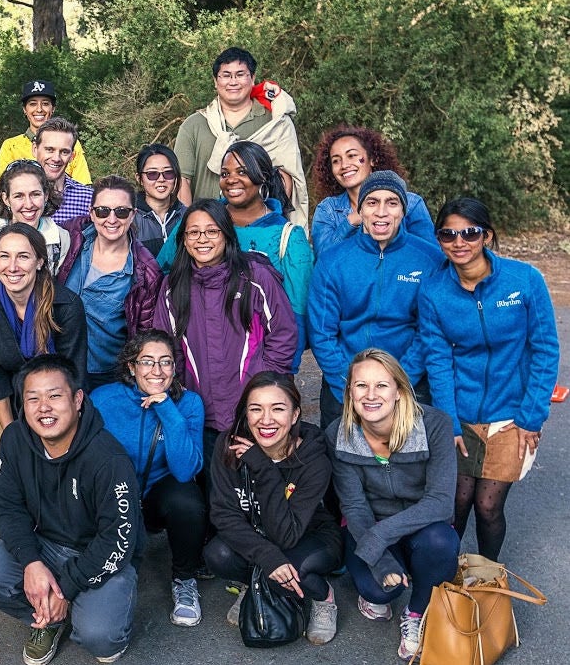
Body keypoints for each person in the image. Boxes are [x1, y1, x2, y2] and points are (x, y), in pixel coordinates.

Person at [0, 354, 140, 665]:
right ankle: (47, 618)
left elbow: (117, 540)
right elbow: (7, 506)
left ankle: (69, 607)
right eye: (33, 398)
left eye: (54, 395)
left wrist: (65, 589)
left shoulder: (108, 459)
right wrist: (32, 562)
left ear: (77, 400)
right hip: (44, 545)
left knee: (101, 638)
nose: (43, 407)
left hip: (95, 554)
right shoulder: (15, 439)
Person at [418, 198, 558, 562]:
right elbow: (438, 360)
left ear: (487, 236)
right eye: (448, 234)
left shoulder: (524, 280)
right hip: (461, 415)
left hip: (511, 415)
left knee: (488, 505)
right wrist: (448, 421)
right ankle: (443, 582)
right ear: (439, 239)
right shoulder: (433, 292)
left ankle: (488, 577)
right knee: (456, 504)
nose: (459, 241)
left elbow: (545, 350)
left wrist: (532, 415)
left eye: (470, 232)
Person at [328, 349, 460, 661]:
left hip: (422, 525)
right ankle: (392, 575)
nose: (370, 395)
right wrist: (381, 560)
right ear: (349, 392)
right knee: (379, 592)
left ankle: (416, 613)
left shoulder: (435, 425)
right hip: (368, 525)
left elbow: (441, 503)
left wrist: (380, 537)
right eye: (361, 386)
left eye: (381, 386)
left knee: (441, 543)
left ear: (399, 391)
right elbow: (356, 508)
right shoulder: (339, 433)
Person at [0, 223, 88, 555]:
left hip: (55, 400)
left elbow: (73, 372)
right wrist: (13, 430)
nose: (12, 266)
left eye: (23, 256)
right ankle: (13, 538)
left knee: (54, 469)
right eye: (4, 256)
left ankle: (60, 537)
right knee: (6, 472)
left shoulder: (65, 304)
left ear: (40, 262)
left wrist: (51, 419)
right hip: (4, 399)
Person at [152, 200, 297, 461]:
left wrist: (263, 387)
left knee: (258, 485)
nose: (202, 239)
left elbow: (283, 334)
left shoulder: (255, 277)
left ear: (226, 234)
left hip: (252, 412)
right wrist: (182, 396)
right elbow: (166, 347)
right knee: (214, 491)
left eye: (212, 231)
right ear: (183, 239)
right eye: (193, 232)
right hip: (201, 412)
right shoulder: (173, 287)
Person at [205, 372, 343, 644]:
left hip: (308, 536)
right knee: (217, 554)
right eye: (256, 409)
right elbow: (224, 514)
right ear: (245, 413)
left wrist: (265, 469)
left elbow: (286, 535)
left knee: (292, 568)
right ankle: (255, 582)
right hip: (258, 533)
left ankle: (324, 597)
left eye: (278, 409)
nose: (265, 420)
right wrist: (267, 558)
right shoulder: (228, 444)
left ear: (294, 416)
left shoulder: (314, 459)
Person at [308, 171, 441, 431]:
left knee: (406, 466)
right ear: (360, 210)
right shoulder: (333, 260)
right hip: (343, 381)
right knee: (342, 465)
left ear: (403, 210)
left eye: (392, 203)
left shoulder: (428, 259)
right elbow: (321, 333)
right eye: (372, 202)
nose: (381, 212)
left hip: (408, 380)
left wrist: (401, 382)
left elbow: (429, 332)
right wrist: (349, 384)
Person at [91, 330, 207, 628]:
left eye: (165, 362)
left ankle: (184, 580)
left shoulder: (189, 403)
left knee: (187, 500)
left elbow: (185, 470)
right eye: (147, 361)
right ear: (132, 366)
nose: (157, 370)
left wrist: (166, 407)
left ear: (174, 368)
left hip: (156, 496)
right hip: (115, 494)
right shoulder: (104, 399)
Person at [157, 141, 312, 361]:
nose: (231, 180)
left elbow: (296, 313)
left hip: (258, 364)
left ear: (264, 177)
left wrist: (283, 374)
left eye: (242, 171)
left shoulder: (287, 236)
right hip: (199, 355)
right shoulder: (199, 221)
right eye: (224, 173)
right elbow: (162, 275)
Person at [174, 46, 307, 225]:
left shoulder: (275, 122)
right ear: (215, 81)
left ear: (252, 78)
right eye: (226, 75)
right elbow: (182, 181)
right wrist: (189, 226)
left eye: (240, 74)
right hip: (207, 230)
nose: (233, 81)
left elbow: (287, 176)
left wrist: (270, 223)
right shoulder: (193, 126)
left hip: (258, 228)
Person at [55, 175, 163, 390]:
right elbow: (31, 229)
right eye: (103, 211)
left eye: (121, 212)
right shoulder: (71, 236)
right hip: (58, 363)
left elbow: (144, 334)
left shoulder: (145, 271)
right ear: (91, 213)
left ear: (133, 215)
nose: (111, 219)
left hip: (105, 375)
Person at [310, 124, 434, 258]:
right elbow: (323, 258)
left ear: (373, 159)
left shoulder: (411, 203)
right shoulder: (327, 209)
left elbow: (430, 256)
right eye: (336, 161)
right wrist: (350, 223)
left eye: (352, 155)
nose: (344, 165)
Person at [0, 160, 69, 279]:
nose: (28, 204)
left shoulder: (61, 240)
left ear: (46, 195)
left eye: (35, 194)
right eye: (19, 196)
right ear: (6, 199)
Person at [0, 79, 90, 184]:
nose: (39, 109)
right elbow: (2, 187)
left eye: (45, 103)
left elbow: (83, 185)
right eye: (32, 104)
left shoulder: (71, 144)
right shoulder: (11, 146)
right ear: (24, 109)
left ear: (53, 108)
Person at [31, 117, 94, 224]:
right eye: (49, 150)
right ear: (35, 149)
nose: (56, 158)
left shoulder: (88, 199)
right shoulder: (17, 196)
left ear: (72, 156)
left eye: (64, 152)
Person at [133, 144, 185, 257]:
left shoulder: (188, 216)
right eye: (152, 174)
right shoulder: (129, 219)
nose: (161, 179)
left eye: (168, 173)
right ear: (139, 179)